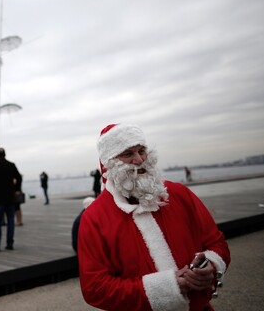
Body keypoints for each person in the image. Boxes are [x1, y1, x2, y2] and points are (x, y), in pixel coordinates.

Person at [79, 124, 230, 311]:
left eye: (142, 150)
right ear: (108, 163)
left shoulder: (180, 194)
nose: (139, 159)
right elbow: (95, 288)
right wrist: (168, 286)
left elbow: (217, 243)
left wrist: (211, 266)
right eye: (128, 154)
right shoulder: (94, 218)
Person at [0, 147, 21, 251]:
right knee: (11, 220)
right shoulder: (11, 165)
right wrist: (17, 189)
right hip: (10, 197)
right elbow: (19, 177)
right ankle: (10, 244)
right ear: (5, 154)